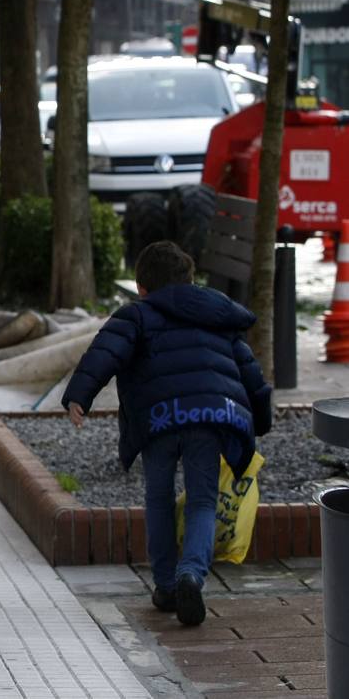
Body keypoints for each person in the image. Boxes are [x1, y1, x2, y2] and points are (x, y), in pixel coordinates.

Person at [62, 241, 272, 627]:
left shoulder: (136, 315)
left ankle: (164, 586)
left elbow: (103, 353)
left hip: (158, 420)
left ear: (141, 288)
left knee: (158, 499)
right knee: (203, 502)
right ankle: (191, 573)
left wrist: (79, 397)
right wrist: (260, 419)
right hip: (209, 418)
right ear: (191, 281)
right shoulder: (216, 314)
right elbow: (250, 374)